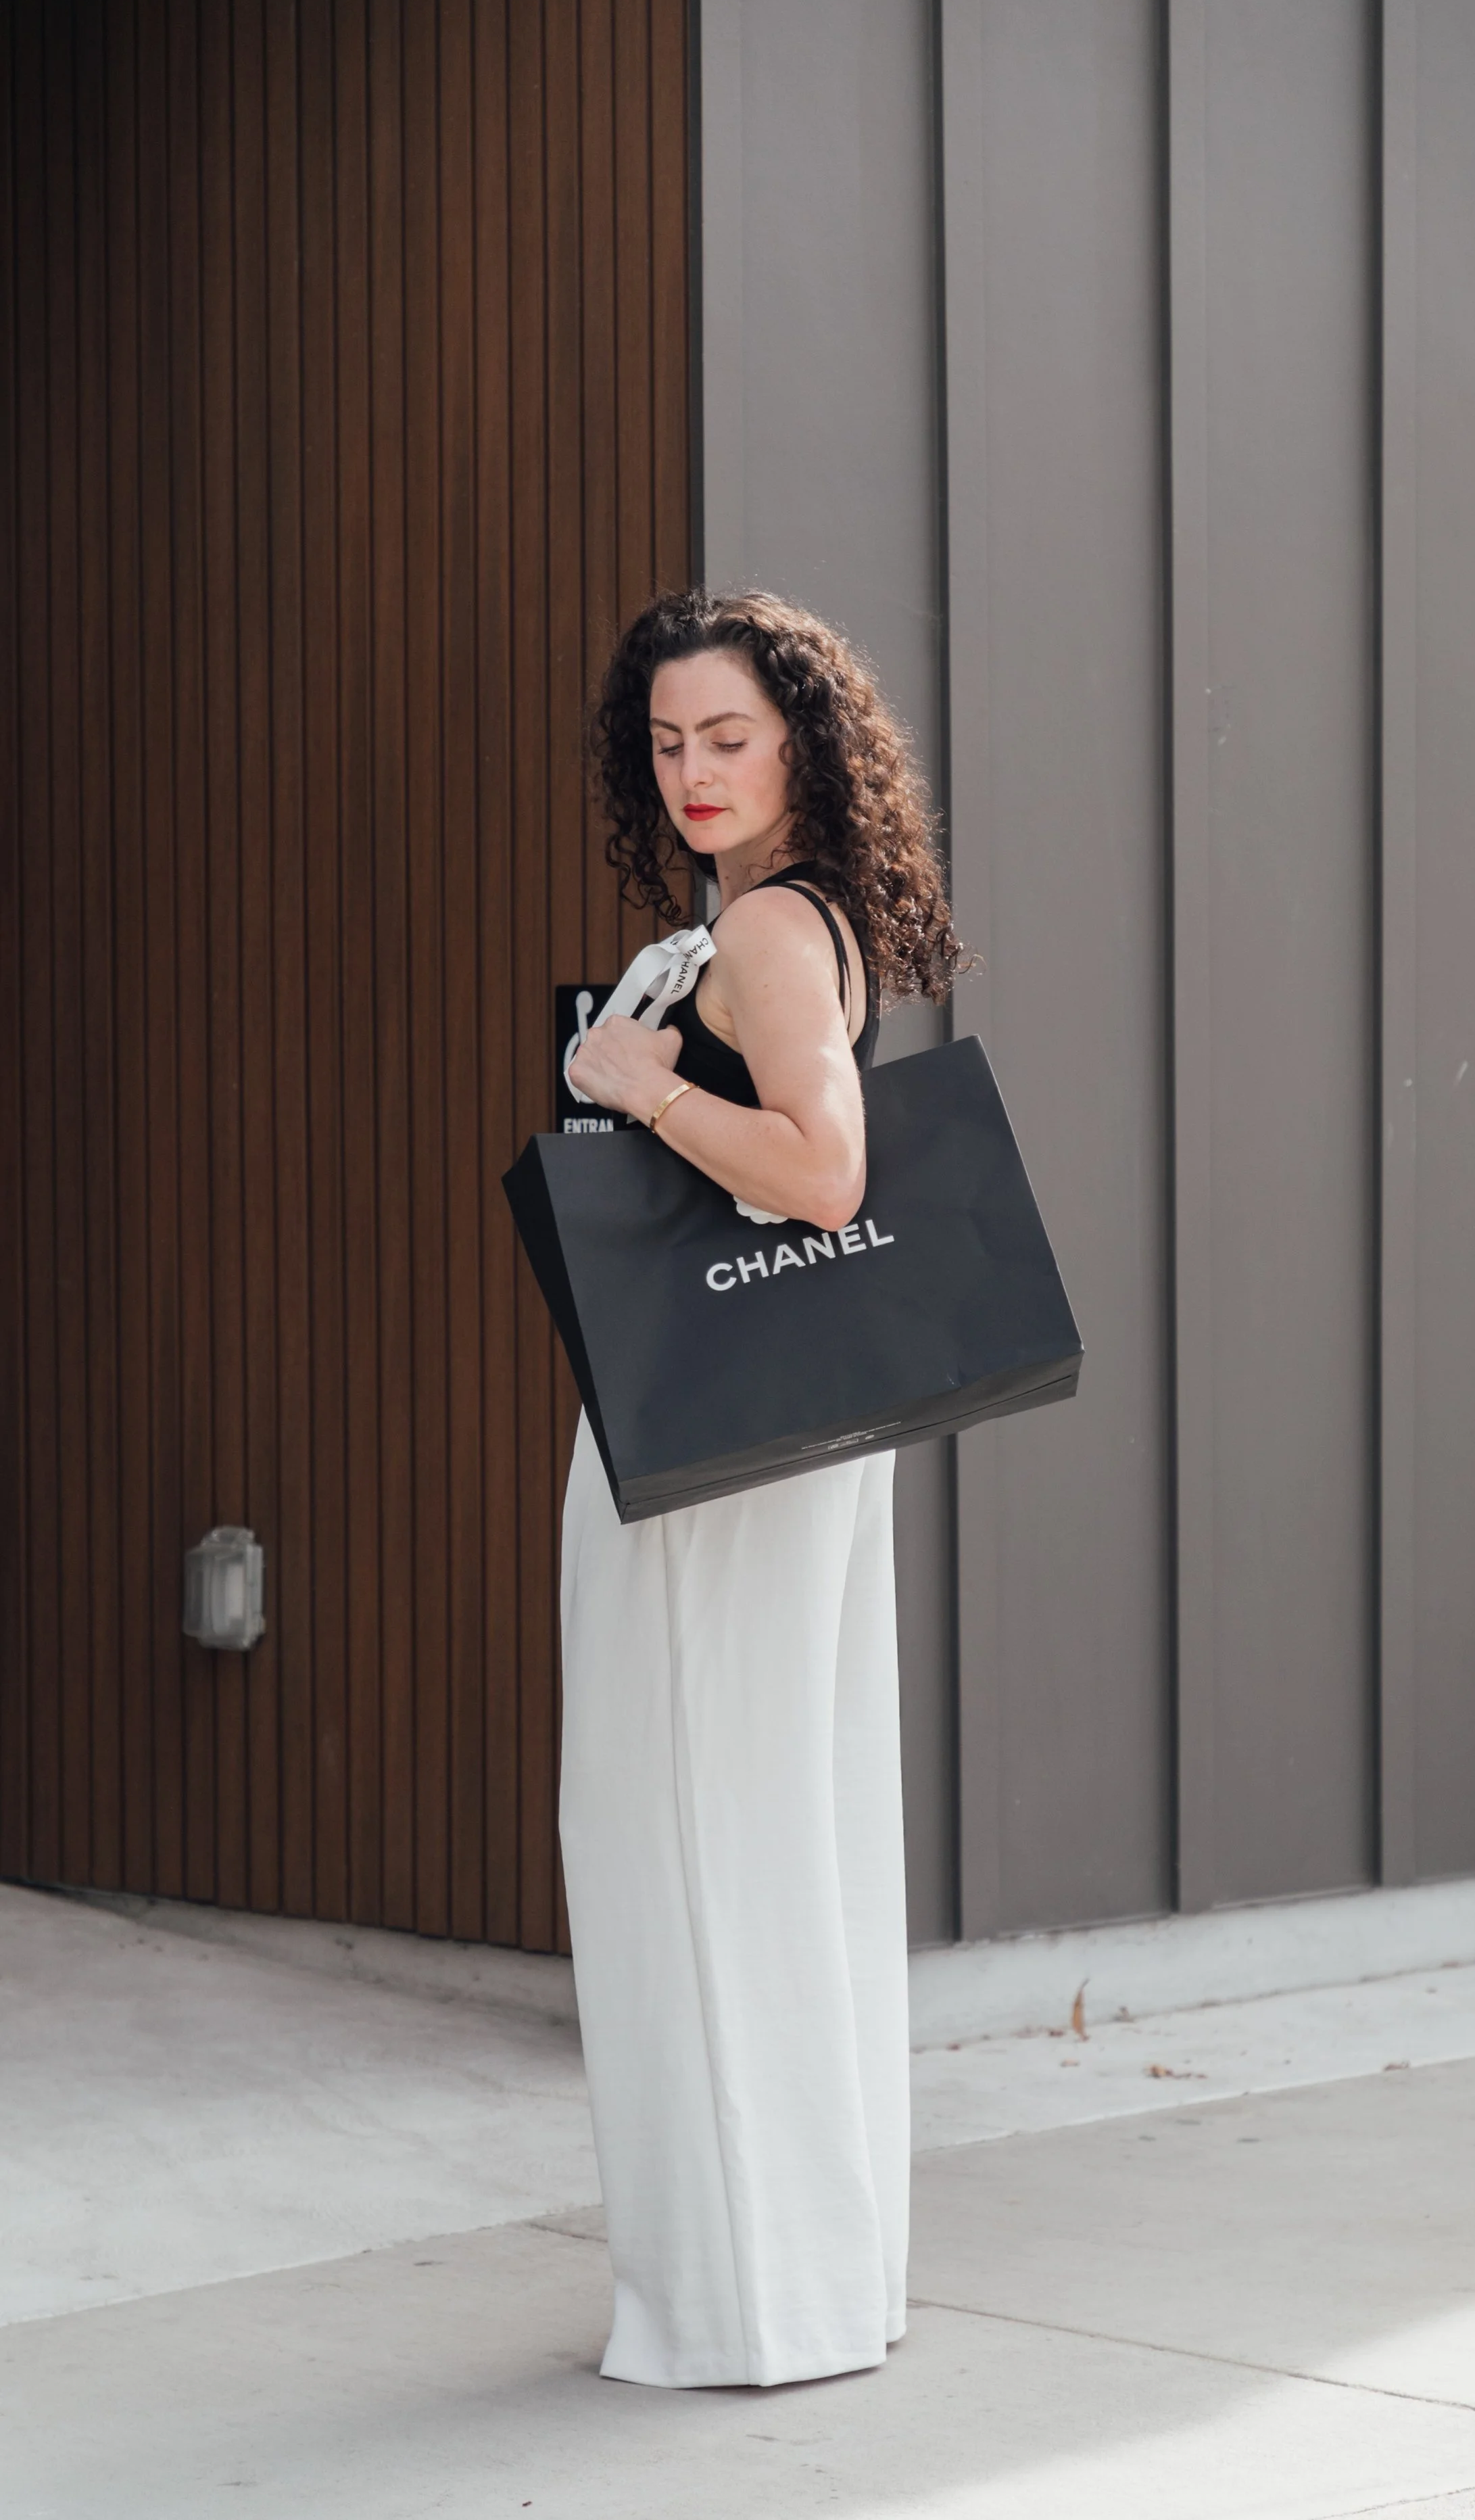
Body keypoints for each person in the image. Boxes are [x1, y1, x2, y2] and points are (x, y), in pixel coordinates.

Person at [560, 588, 965, 2388]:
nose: (693, 770)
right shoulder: (783, 915)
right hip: (766, 1427)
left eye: (727, 735)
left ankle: (746, 2300)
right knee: (765, 1823)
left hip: (715, 1441)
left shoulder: (772, 931)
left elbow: (823, 1172)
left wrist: (641, 1089)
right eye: (666, 742)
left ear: (801, 739)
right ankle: (791, 2277)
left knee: (689, 1828)